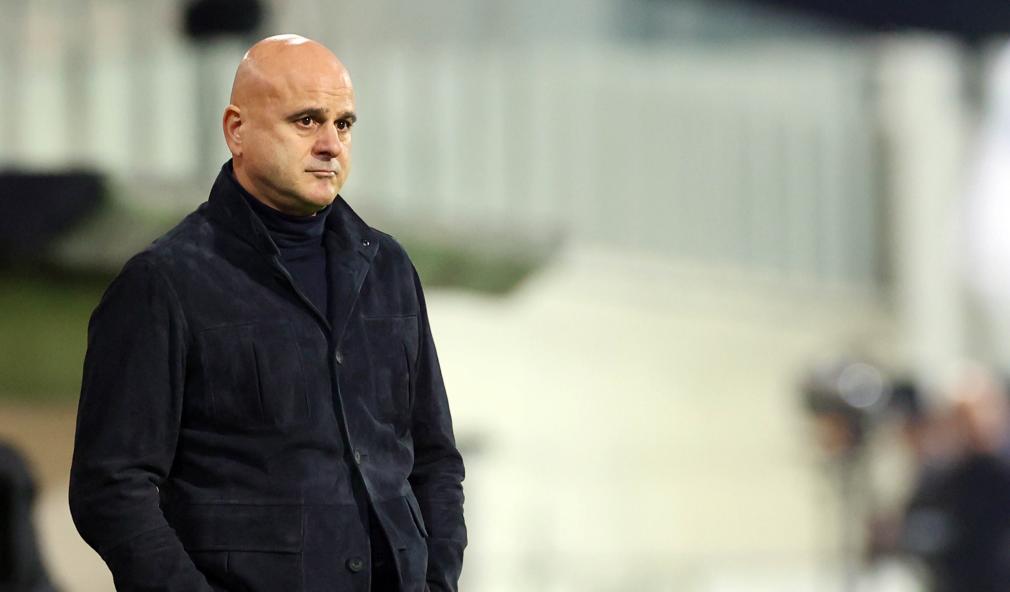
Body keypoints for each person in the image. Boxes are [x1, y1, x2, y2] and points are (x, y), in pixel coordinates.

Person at [68, 34, 466, 592]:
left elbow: (435, 459)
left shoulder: (389, 269)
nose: (331, 145)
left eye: (344, 124)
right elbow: (110, 486)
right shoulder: (164, 283)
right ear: (237, 130)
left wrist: (438, 581)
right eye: (306, 121)